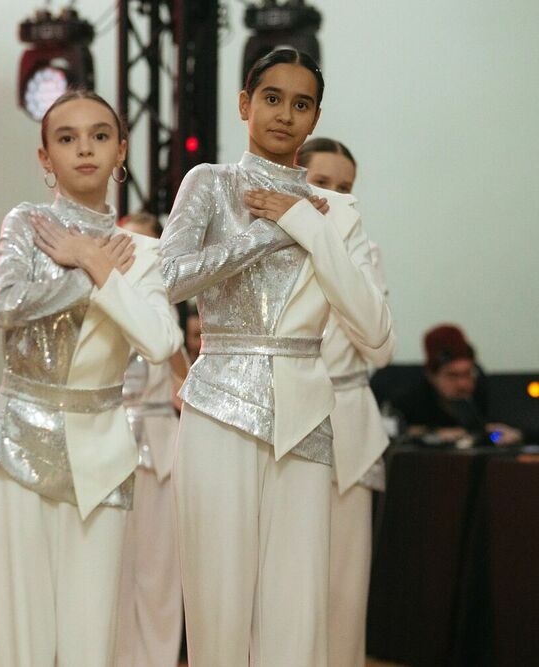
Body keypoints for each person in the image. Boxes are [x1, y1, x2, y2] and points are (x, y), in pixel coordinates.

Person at [160, 49, 393, 666]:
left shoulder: (335, 213)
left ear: (315, 117)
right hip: (217, 406)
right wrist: (265, 234)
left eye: (301, 103)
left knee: (297, 610)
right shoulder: (210, 183)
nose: (285, 114)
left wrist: (306, 224)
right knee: (217, 603)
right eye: (271, 98)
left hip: (305, 416)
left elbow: (375, 332)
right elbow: (170, 279)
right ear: (244, 104)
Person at [0, 90, 182, 667]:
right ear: (45, 158)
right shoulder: (28, 222)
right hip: (17, 439)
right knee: (23, 637)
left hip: (103, 448)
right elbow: (5, 305)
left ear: (121, 150)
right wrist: (87, 276)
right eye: (67, 138)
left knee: (91, 636)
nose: (84, 148)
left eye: (99, 135)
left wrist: (94, 261)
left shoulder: (141, 251)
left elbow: (161, 342)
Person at [298, 136, 396, 667]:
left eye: (345, 188)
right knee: (288, 582)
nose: (334, 196)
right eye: (321, 183)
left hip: (349, 425)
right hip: (285, 419)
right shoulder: (269, 244)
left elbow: (380, 348)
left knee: (343, 585)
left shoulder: (364, 253)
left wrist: (340, 264)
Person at [114, 212, 188, 667]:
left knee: (160, 568)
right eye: (125, 242)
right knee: (112, 568)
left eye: (145, 245)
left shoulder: (167, 309)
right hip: (109, 444)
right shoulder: (96, 298)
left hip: (160, 448)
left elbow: (181, 374)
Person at [393, 324, 522, 445]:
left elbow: (520, 423)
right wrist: (431, 434)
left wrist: (516, 434)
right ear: (431, 376)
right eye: (452, 375)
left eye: (468, 373)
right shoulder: (411, 397)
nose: (462, 384)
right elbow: (394, 432)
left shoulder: (484, 389)